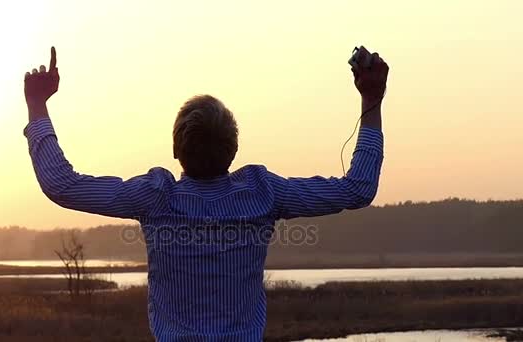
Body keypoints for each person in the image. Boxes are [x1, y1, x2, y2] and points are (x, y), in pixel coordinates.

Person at [23, 46, 388, 341]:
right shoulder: (262, 192)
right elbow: (357, 188)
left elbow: (61, 184)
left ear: (176, 150)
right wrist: (371, 100)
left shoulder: (157, 197)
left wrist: (38, 106)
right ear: (233, 151)